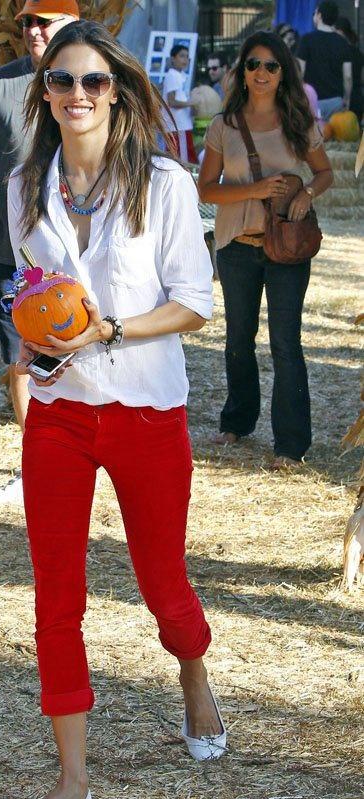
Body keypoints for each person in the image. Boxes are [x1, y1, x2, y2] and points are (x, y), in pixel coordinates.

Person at [8, 19, 225, 799]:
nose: (76, 95)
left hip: (146, 408)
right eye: (61, 81)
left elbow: (194, 305)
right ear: (45, 93)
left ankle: (193, 671)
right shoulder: (23, 185)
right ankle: (73, 774)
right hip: (61, 412)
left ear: (117, 92)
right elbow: (32, 297)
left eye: (92, 81)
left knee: (162, 581)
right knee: (55, 593)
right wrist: (35, 336)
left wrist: (110, 330)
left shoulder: (164, 183)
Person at [0, 0, 79, 504]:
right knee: (20, 363)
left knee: (84, 356)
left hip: (81, 252)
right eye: (27, 21)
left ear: (71, 23)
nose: (32, 30)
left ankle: (86, 457)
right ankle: (38, 466)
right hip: (12, 254)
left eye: (44, 21)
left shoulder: (96, 81)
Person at [198, 31, 333, 470]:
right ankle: (237, 421)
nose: (261, 73)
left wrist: (307, 193)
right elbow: (206, 190)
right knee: (238, 340)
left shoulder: (298, 121)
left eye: (271, 66)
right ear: (243, 71)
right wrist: (254, 189)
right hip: (237, 247)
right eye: (253, 64)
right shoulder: (225, 125)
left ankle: (290, 445)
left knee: (285, 344)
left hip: (287, 248)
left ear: (283, 73)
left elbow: (326, 172)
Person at [297, 1, 353, 121]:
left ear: (319, 16)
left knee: (314, 136)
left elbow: (299, 71)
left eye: (315, 13)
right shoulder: (343, 42)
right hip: (335, 103)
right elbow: (348, 76)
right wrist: (346, 100)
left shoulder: (306, 40)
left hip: (311, 102)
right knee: (333, 134)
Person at [162, 44, 198, 162]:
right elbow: (171, 101)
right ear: (173, 58)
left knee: (185, 158)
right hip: (178, 127)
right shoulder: (172, 75)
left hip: (182, 126)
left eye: (187, 57)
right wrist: (191, 103)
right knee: (183, 162)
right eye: (182, 56)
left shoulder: (181, 76)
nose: (185, 60)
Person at [335, 15, 363, 122]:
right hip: (357, 98)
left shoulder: (340, 51)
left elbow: (347, 77)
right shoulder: (358, 53)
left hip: (344, 99)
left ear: (340, 31)